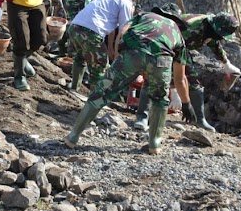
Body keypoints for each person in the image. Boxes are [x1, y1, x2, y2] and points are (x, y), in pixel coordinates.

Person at [64, 8, 195, 155]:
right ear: (176, 19)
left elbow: (123, 31)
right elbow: (180, 78)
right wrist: (186, 103)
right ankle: (154, 144)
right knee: (160, 99)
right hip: (161, 58)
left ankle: (73, 136)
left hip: (133, 50)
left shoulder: (144, 15)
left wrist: (119, 56)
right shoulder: (177, 33)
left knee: (102, 91)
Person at [134, 3, 241, 132]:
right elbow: (177, 69)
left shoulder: (212, 31)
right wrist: (175, 91)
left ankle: (199, 120)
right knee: (153, 79)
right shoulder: (191, 27)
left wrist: (226, 63)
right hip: (164, 47)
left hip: (181, 51)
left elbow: (214, 44)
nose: (220, 38)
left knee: (195, 84)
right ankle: (142, 117)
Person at [67, 0, 143, 92]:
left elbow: (111, 27)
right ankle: (93, 102)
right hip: (91, 32)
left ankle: (74, 88)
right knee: (99, 68)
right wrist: (120, 53)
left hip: (75, 26)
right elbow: (123, 31)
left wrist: (110, 48)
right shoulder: (126, 2)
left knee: (80, 57)